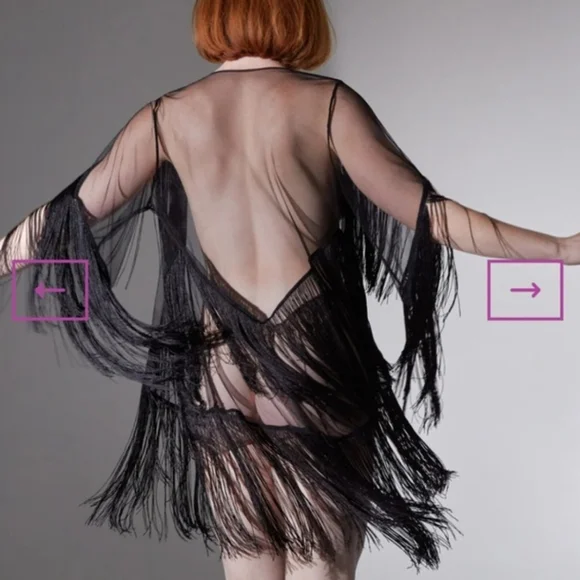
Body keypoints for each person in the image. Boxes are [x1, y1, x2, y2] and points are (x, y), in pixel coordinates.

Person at [1, 1, 579, 579]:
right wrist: (558, 249)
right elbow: (431, 216)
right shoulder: (326, 104)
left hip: (221, 356)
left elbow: (66, 216)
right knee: (322, 567)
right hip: (311, 343)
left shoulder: (167, 117)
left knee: (248, 565)